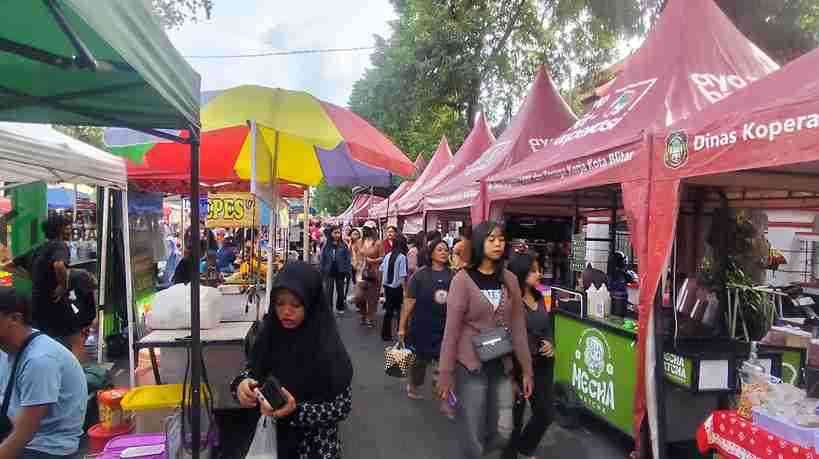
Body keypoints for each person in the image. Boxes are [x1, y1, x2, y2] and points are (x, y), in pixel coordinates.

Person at [232, 262, 353, 459]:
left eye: (295, 304)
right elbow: (250, 373)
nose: (286, 311)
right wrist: (241, 387)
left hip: (314, 448)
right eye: (279, 304)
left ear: (311, 304)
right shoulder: (269, 334)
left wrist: (295, 411)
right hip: (269, 443)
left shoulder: (326, 346)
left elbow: (341, 406)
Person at [436, 221, 534, 459]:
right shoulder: (462, 280)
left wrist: (527, 370)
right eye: (491, 239)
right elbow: (451, 331)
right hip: (471, 367)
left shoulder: (509, 279)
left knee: (503, 430)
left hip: (501, 365)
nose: (498, 244)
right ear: (480, 243)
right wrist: (445, 374)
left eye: (501, 239)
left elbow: (519, 327)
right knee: (473, 433)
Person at [0, 287, 87, 459]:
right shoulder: (6, 351)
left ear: (15, 319)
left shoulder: (39, 360)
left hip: (45, 449)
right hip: (22, 436)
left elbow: (23, 435)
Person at [503, 253, 555, 459]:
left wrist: (551, 343)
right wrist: (509, 375)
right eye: (533, 270)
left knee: (545, 413)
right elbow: (504, 338)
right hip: (515, 367)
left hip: (541, 365)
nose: (539, 274)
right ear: (521, 274)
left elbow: (548, 325)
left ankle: (524, 448)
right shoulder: (508, 301)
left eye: (538, 269)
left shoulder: (541, 296)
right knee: (513, 420)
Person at [398, 239, 455, 417]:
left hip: (444, 329)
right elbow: (408, 303)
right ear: (430, 253)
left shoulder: (453, 275)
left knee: (444, 367)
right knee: (419, 364)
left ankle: (445, 401)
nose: (444, 253)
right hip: (421, 328)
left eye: (446, 250)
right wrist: (401, 327)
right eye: (439, 250)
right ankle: (414, 385)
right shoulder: (420, 276)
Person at [3, 214, 71, 340]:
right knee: (59, 342)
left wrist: (31, 276)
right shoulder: (60, 246)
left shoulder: (37, 249)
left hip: (36, 306)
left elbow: (6, 266)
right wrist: (62, 285)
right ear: (60, 229)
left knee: (40, 339)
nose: (69, 230)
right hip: (54, 307)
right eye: (67, 227)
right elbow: (59, 264)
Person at [380, 235, 407, 342]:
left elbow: (381, 268)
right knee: (400, 311)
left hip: (387, 287)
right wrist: (404, 291)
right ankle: (400, 334)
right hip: (397, 288)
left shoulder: (388, 256)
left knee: (389, 312)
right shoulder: (402, 257)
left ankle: (385, 334)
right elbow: (402, 275)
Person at [320, 226, 352, 315]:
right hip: (328, 270)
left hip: (340, 271)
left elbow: (347, 259)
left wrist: (348, 271)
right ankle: (329, 309)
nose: (337, 235)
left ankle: (340, 306)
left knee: (340, 291)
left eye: (338, 232)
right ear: (331, 233)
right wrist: (322, 270)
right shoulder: (326, 245)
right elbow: (322, 258)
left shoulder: (343, 245)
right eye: (335, 232)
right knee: (328, 291)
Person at [357, 226, 384, 328]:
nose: (365, 230)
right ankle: (363, 314)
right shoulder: (360, 241)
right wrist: (357, 263)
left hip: (374, 272)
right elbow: (356, 254)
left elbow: (383, 257)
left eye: (367, 228)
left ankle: (369, 317)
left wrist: (373, 261)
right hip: (361, 272)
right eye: (364, 228)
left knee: (372, 297)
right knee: (359, 296)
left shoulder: (378, 242)